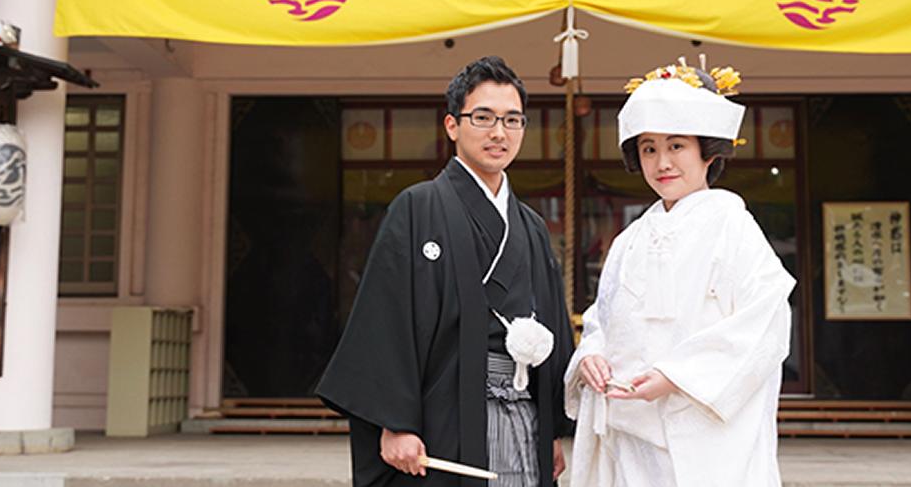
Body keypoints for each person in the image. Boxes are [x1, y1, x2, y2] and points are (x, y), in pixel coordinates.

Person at [317, 56, 573, 487]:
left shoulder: (529, 225)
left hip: (524, 413)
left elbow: (551, 322)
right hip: (444, 413)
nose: (499, 132)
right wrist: (394, 421)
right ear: (452, 125)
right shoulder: (417, 208)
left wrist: (550, 425)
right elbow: (386, 321)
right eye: (483, 117)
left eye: (513, 120)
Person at [564, 60, 796, 487]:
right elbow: (603, 319)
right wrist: (591, 356)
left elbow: (765, 323)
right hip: (630, 427)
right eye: (649, 149)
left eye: (676, 146)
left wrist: (677, 376)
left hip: (704, 432)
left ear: (708, 151)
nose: (662, 162)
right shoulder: (630, 240)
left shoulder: (733, 225)